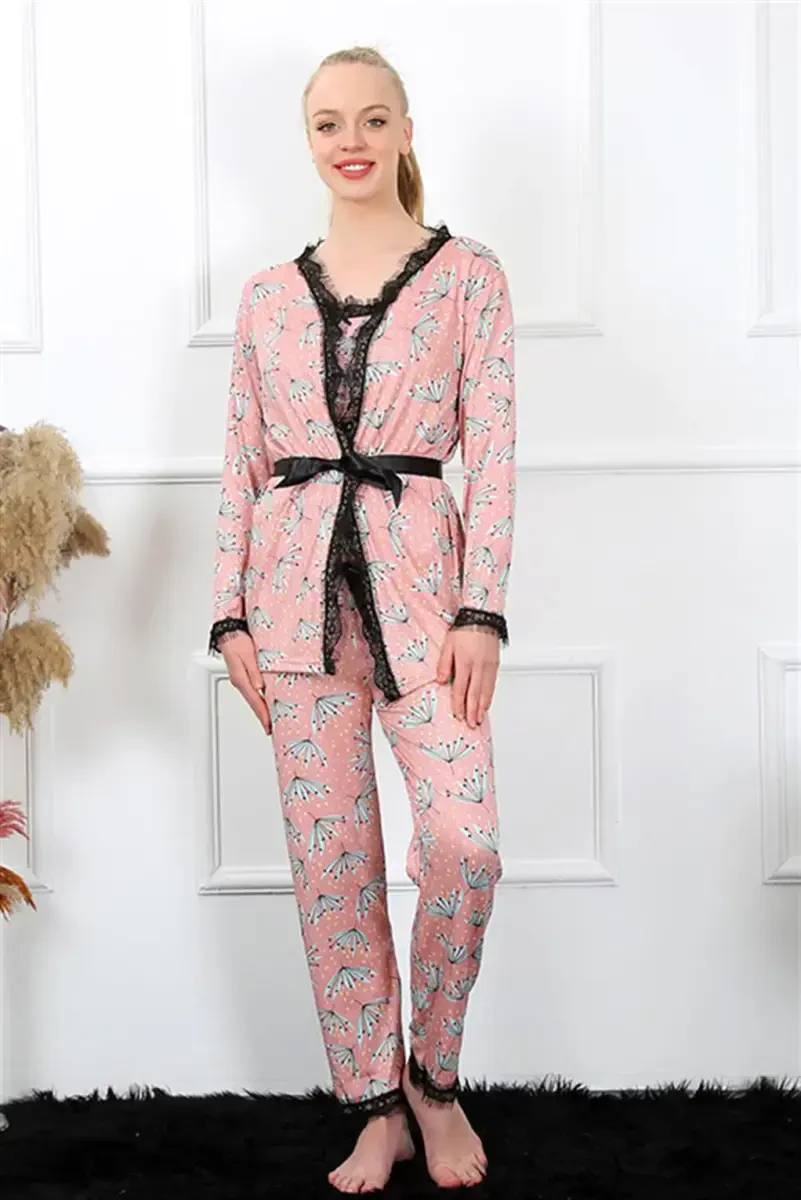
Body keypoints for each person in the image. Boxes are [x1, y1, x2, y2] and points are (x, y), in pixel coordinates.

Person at [208, 44, 516, 1194]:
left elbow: (495, 453)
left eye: (373, 118)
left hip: (428, 603)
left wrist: (483, 608)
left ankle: (433, 1077)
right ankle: (375, 1108)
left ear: (405, 130)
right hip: (288, 610)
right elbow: (240, 460)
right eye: (329, 122)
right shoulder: (264, 297)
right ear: (308, 140)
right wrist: (227, 616)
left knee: (465, 846)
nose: (352, 140)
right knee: (333, 870)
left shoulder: (469, 276)